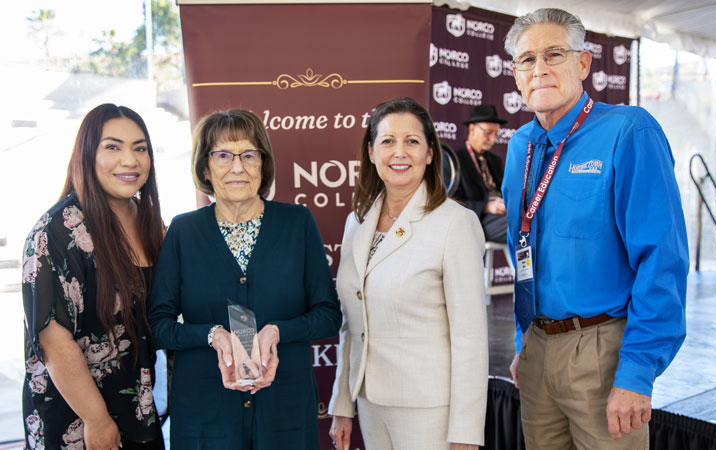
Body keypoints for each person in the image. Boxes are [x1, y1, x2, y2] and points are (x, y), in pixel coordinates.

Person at [502, 8, 689, 449]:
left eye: (553, 54)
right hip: (536, 348)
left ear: (583, 63)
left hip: (602, 352)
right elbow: (521, 249)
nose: (540, 69)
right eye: (527, 60)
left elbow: (662, 260)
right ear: (515, 74)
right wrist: (522, 339)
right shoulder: (520, 147)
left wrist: (637, 372)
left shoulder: (629, 131)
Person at [147, 109, 342, 449]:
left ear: (263, 164)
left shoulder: (296, 223)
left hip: (284, 408)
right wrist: (213, 335)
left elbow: (328, 315)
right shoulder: (183, 231)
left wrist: (278, 331)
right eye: (223, 155)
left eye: (249, 155)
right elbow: (159, 325)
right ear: (205, 167)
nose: (237, 167)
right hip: (205, 411)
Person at [328, 97, 488, 450]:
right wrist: (343, 404)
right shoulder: (357, 221)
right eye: (387, 141)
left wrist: (465, 434)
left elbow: (471, 339)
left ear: (430, 153)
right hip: (370, 401)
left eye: (412, 141)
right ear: (371, 152)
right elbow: (351, 321)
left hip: (430, 408)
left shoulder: (456, 224)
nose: (399, 152)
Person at [21, 104, 165, 450]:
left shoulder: (151, 224)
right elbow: (54, 343)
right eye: (113, 147)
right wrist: (96, 420)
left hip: (137, 408)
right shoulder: (56, 231)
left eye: (140, 148)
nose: (130, 161)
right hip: (77, 418)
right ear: (87, 154)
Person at [451, 104, 508, 243]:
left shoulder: (495, 161)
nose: (493, 139)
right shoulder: (454, 160)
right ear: (472, 128)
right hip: (477, 220)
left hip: (502, 216)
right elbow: (451, 202)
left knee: (531, 220)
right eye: (488, 133)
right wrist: (487, 207)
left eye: (496, 134)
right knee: (524, 226)